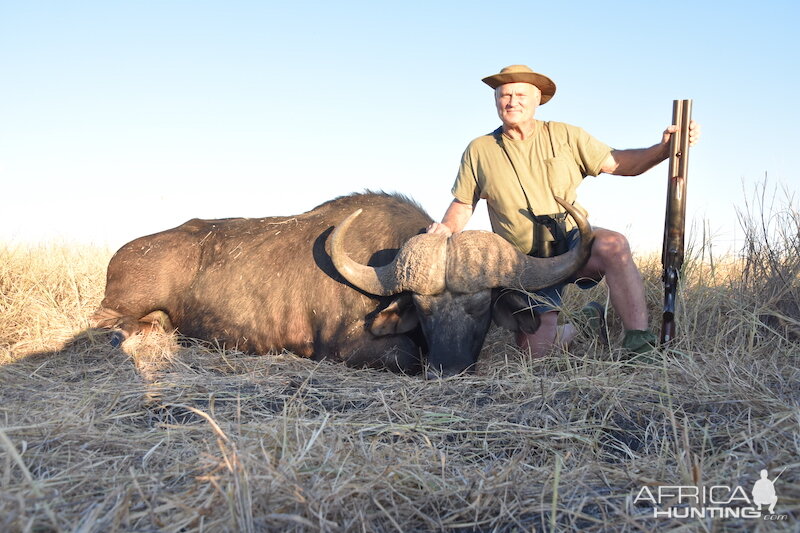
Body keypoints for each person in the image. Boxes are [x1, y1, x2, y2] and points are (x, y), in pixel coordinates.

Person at [427, 65, 701, 358]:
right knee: (536, 355)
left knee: (614, 244)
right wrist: (446, 228)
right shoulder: (479, 149)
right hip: (522, 261)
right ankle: (585, 321)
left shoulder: (566, 135)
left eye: (520, 94)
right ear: (495, 101)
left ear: (537, 100)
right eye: (504, 95)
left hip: (572, 241)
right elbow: (464, 202)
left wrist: (664, 149)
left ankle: (639, 345)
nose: (511, 101)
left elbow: (622, 164)